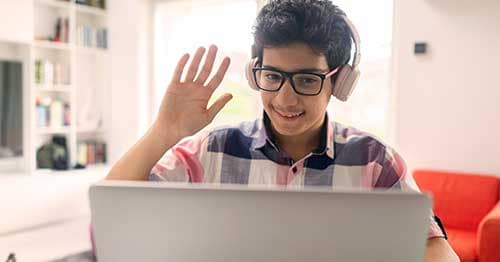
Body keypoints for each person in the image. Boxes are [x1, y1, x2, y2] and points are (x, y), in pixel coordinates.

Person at [106, 0, 459, 261]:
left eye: (306, 79)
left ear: (340, 82)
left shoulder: (375, 160)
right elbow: (112, 207)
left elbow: (434, 247)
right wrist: (164, 131)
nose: (284, 99)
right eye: (272, 77)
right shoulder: (212, 151)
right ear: (254, 72)